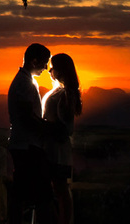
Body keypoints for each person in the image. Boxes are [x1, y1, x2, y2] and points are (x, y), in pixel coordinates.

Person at [8, 43, 56, 223]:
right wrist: (48, 129)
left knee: (23, 193)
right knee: (42, 194)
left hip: (24, 145)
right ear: (34, 60)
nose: (46, 68)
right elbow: (27, 116)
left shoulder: (25, 81)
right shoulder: (24, 84)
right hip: (27, 147)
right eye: (44, 63)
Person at [42, 53, 82, 224]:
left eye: (53, 67)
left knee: (60, 190)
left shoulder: (66, 94)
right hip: (52, 150)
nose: (50, 71)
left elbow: (66, 129)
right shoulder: (60, 92)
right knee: (56, 190)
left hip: (57, 152)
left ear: (60, 70)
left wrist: (41, 125)